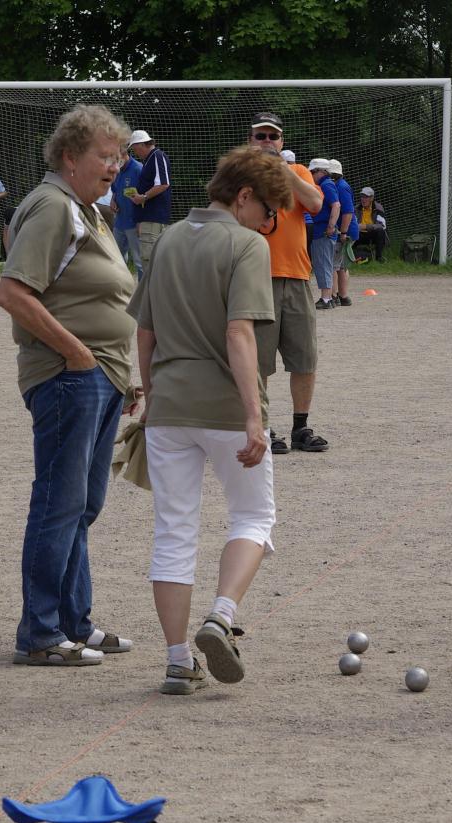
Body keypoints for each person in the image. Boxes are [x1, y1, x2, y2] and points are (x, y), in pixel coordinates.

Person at [129, 146, 288, 694]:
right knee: (254, 517)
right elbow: (239, 332)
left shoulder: (167, 238)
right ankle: (221, 616)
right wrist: (253, 417)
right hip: (225, 406)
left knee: (173, 532)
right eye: (267, 212)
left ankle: (177, 660)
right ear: (244, 196)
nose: (268, 224)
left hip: (169, 407)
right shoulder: (245, 245)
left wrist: (152, 399)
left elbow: (144, 333)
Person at [0, 104, 139, 667]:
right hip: (67, 377)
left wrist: (121, 373)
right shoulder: (53, 208)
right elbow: (13, 293)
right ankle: (39, 633)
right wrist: (78, 354)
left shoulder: (85, 209)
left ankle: (75, 623)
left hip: (100, 376)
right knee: (60, 504)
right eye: (106, 157)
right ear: (69, 156)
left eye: (120, 157)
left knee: (82, 504)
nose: (116, 167)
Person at [247, 112, 325, 457]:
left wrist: (282, 172)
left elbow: (316, 203)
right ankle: (263, 426)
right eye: (260, 136)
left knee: (304, 357)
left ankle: (300, 427)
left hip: (295, 276)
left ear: (282, 142)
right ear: (251, 141)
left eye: (272, 137)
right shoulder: (239, 176)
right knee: (257, 361)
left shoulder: (298, 172)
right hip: (254, 278)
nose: (267, 142)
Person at [128, 130, 171, 273]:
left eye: (134, 149)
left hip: (154, 218)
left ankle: (153, 293)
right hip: (149, 218)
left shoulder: (157, 156)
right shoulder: (149, 160)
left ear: (140, 145)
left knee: (150, 260)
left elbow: (163, 184)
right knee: (148, 259)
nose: (135, 152)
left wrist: (143, 197)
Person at [308, 158, 339, 309]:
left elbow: (336, 205)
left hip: (323, 231)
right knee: (324, 263)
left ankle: (326, 299)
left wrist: (331, 226)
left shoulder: (326, 185)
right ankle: (328, 298)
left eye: (313, 172)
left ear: (321, 172)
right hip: (320, 230)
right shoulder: (325, 184)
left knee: (323, 264)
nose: (311, 175)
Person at [329, 160, 358, 308]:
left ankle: (334, 296)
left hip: (344, 230)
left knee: (334, 264)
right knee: (340, 264)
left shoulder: (341, 187)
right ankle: (343, 296)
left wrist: (343, 232)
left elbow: (347, 212)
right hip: (345, 229)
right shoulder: (340, 185)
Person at [110, 149, 144, 272]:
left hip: (135, 223)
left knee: (139, 261)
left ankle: (142, 290)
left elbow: (146, 196)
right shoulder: (117, 170)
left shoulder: (138, 170)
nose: (115, 163)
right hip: (119, 222)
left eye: (117, 159)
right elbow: (115, 190)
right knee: (117, 258)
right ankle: (122, 288)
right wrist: (113, 200)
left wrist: (141, 221)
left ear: (125, 155)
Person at [353, 186, 387, 262]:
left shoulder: (378, 208)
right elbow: (352, 222)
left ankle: (379, 257)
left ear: (372, 198)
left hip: (372, 234)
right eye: (362, 196)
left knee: (380, 231)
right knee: (351, 231)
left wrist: (366, 226)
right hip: (359, 234)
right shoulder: (356, 208)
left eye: (366, 197)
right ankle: (352, 256)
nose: (363, 199)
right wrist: (356, 227)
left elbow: (382, 225)